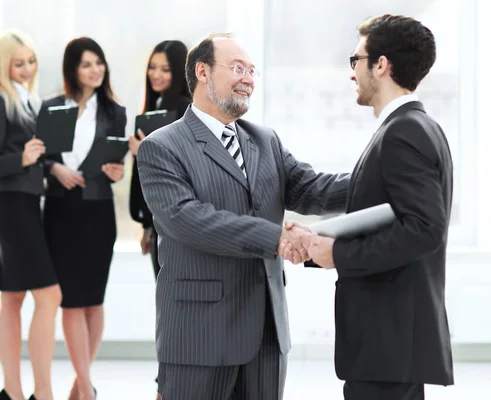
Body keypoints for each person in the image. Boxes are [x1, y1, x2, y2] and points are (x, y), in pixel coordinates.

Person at [136, 33, 350, 400]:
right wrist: (277, 238)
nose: (249, 79)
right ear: (202, 72)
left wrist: (378, 177)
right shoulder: (161, 146)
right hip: (199, 338)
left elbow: (312, 187)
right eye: (238, 68)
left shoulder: (265, 141)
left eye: (253, 71)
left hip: (266, 333)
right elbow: (189, 220)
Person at [300, 14, 454, 400]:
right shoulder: (414, 126)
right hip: (391, 345)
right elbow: (388, 216)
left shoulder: (404, 132)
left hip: (388, 342)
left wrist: (338, 253)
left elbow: (424, 229)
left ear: (381, 65)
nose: (352, 72)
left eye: (356, 60)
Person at [41, 37, 126, 400]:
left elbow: (119, 163)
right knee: (71, 300)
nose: (95, 70)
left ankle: (80, 385)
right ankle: (87, 389)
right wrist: (55, 168)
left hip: (97, 212)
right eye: (86, 64)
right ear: (72, 69)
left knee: (93, 299)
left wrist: (119, 172)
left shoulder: (115, 112)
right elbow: (39, 155)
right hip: (61, 212)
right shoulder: (52, 107)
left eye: (99, 63)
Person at [0, 29, 61, 400]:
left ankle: (11, 393)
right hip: (10, 203)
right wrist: (22, 159)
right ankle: (41, 393)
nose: (27, 69)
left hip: (27, 201)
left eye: (31, 62)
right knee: (49, 296)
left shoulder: (30, 100)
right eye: (18, 63)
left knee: (12, 298)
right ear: (3, 65)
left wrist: (47, 163)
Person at [128, 40, 191, 279]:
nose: (156, 75)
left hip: (176, 224)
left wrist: (143, 151)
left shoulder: (186, 110)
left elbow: (183, 166)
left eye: (165, 69)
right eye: (152, 67)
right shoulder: (153, 107)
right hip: (157, 223)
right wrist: (146, 226)